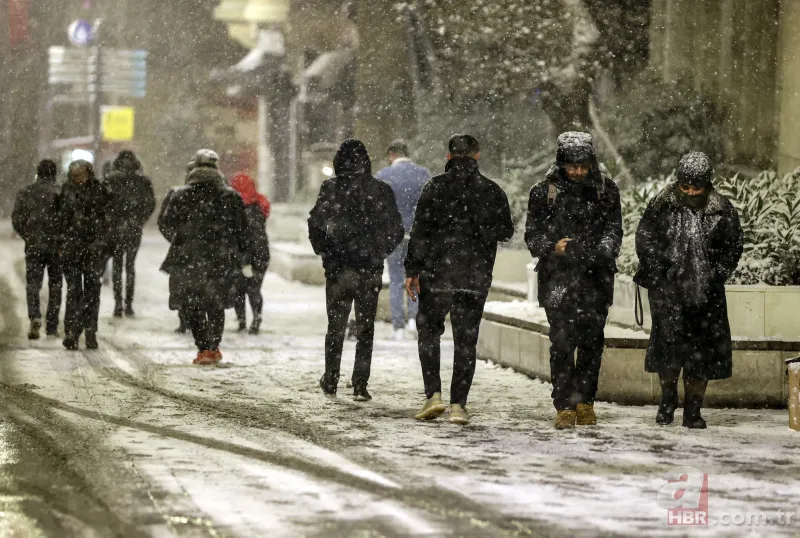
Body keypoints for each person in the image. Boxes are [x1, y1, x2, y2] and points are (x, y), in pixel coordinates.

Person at [405, 134, 514, 424]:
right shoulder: (491, 191)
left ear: (449, 156)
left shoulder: (435, 187)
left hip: (437, 275)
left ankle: (433, 395)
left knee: (429, 333)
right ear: (477, 156)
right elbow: (505, 231)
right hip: (474, 278)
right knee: (466, 341)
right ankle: (459, 405)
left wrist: (412, 271)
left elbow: (419, 232)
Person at [635, 152, 743, 429]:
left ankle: (693, 410)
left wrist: (714, 274)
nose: (691, 192)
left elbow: (732, 247)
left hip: (706, 294)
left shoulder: (722, 209)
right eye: (686, 187)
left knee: (701, 353)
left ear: (707, 185)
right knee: (668, 350)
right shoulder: (661, 205)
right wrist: (659, 271)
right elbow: (646, 239)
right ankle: (667, 401)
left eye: (697, 187)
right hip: (668, 290)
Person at [525, 132, 622, 430]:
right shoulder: (544, 192)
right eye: (572, 166)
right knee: (562, 343)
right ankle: (564, 404)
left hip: (596, 279)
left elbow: (614, 231)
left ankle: (585, 402)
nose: (578, 172)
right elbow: (532, 234)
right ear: (561, 164)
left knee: (592, 343)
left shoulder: (606, 190)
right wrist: (554, 247)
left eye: (583, 166)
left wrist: (602, 250)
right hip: (558, 279)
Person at [308, 139, 404, 401]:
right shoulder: (380, 190)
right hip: (368, 269)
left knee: (335, 327)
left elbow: (315, 223)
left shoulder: (331, 188)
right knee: (365, 328)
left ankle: (331, 379)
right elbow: (395, 228)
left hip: (338, 269)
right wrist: (378, 252)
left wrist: (326, 251)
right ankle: (360, 384)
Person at [159, 149, 250, 365]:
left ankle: (203, 347)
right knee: (215, 304)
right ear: (217, 170)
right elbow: (242, 230)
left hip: (188, 258)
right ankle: (213, 346)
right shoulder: (231, 197)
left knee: (192, 305)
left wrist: (180, 239)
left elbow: (165, 223)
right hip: (220, 258)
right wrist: (236, 252)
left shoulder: (180, 195)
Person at [376, 139, 431, 341]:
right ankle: (413, 321)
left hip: (393, 236)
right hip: (417, 236)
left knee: (396, 280)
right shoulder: (423, 175)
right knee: (415, 278)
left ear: (391, 155)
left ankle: (398, 327)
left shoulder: (383, 176)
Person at [58, 160, 116, 350]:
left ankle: (89, 331)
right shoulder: (65, 191)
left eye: (80, 175)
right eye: (74, 176)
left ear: (89, 174)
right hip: (72, 250)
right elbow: (59, 219)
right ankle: (72, 332)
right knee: (74, 291)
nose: (77, 179)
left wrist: (102, 245)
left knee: (92, 292)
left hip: (93, 250)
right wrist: (61, 242)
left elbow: (108, 221)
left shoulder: (100, 191)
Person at [12, 159, 63, 339]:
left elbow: (17, 219)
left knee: (33, 284)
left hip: (34, 245)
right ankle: (52, 325)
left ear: (38, 172)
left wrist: (29, 235)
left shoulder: (25, 192)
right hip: (56, 247)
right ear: (54, 173)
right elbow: (68, 219)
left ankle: (34, 316)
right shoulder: (61, 192)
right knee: (56, 284)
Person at [106, 150, 156, 317]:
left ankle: (118, 303)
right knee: (130, 266)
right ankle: (129, 304)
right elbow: (150, 203)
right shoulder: (143, 181)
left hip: (116, 227)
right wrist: (140, 219)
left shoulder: (111, 180)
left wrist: (110, 219)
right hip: (134, 228)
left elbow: (103, 203)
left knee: (117, 266)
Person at [230, 172, 271, 334]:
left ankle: (242, 322)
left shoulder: (236, 207)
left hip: (244, 254)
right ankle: (256, 317)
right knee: (254, 288)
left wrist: (244, 257)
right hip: (261, 253)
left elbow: (244, 235)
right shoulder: (260, 204)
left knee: (239, 289)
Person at [158, 161, 195, 334]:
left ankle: (190, 318)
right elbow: (164, 221)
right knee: (181, 286)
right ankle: (184, 318)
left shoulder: (179, 194)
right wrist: (175, 238)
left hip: (190, 250)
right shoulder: (178, 194)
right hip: (184, 249)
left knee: (188, 286)